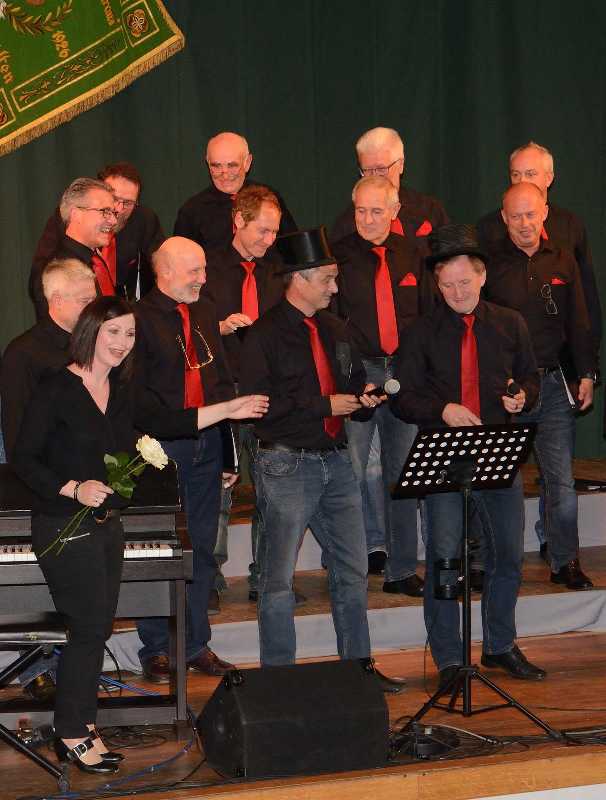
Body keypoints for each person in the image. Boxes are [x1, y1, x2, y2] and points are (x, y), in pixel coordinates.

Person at [12, 295, 268, 772]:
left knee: (96, 628)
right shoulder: (56, 386)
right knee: (88, 629)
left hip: (106, 526)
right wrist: (73, 487)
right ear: (90, 332)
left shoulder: (122, 390)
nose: (123, 342)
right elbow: (24, 458)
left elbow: (172, 421)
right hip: (62, 525)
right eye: (114, 332)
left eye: (129, 334)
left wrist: (228, 408)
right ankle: (72, 731)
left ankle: (82, 725)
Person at [239, 227, 404, 692]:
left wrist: (363, 397)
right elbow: (259, 405)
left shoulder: (335, 329)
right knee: (277, 580)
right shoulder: (263, 335)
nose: (335, 287)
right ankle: (279, 680)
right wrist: (324, 405)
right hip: (285, 464)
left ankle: (358, 669)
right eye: (327, 279)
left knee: (352, 570)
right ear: (300, 279)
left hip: (336, 460)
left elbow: (349, 383)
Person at [392, 223, 546, 688]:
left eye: (464, 282)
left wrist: (524, 397)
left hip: (498, 452)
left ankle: (499, 646)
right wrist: (443, 409)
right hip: (444, 455)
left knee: (508, 555)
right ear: (437, 285)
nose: (457, 292)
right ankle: (449, 660)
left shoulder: (510, 323)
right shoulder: (420, 332)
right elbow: (403, 398)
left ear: (482, 277)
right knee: (444, 560)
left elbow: (530, 377)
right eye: (447, 285)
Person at [477, 141, 602, 561]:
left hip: (553, 385)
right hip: (506, 388)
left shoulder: (564, 259)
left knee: (560, 479)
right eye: (516, 216)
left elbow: (580, 322)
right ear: (504, 219)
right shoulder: (488, 265)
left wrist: (587, 373)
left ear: (544, 212)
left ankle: (564, 561)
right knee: (500, 479)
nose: (524, 223)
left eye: (531, 214)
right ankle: (498, 559)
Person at [133, 236, 239, 683]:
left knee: (201, 548)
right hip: (160, 448)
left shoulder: (204, 311)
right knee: (159, 548)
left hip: (208, 444)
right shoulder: (137, 319)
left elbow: (220, 383)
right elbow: (133, 395)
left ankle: (195, 644)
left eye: (204, 269)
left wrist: (229, 452)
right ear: (165, 271)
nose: (203, 278)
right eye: (194, 270)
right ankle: (157, 647)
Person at [332, 175, 434, 596]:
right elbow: (331, 327)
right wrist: (354, 380)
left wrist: (418, 374)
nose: (368, 219)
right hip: (359, 373)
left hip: (405, 374)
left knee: (403, 474)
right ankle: (350, 568)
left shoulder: (415, 255)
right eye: (361, 211)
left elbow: (428, 320)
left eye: (377, 211)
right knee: (351, 474)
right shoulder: (337, 257)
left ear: (394, 211)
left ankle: (402, 570)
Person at [1, 259, 97, 701]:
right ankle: (36, 669)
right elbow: (18, 434)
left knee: (78, 585)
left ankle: (74, 673)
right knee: (38, 575)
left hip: (86, 484)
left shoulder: (94, 345)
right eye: (85, 300)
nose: (93, 306)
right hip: (45, 486)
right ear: (56, 301)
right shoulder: (24, 353)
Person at [203, 184, 285, 607]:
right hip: (223, 390)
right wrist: (219, 327)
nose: (269, 240)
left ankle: (266, 575)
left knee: (272, 485)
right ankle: (209, 579)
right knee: (219, 485)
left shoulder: (278, 271)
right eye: (263, 231)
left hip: (267, 391)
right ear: (239, 220)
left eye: (275, 232)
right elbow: (189, 329)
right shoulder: (208, 267)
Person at [31, 162, 165, 311]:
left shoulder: (144, 220)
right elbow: (42, 279)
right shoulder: (67, 222)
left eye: (128, 203)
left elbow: (163, 268)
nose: (118, 209)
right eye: (114, 198)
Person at [173, 131, 297, 253]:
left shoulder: (269, 199)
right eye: (216, 166)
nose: (225, 174)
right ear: (208, 163)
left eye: (232, 165)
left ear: (247, 163)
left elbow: (293, 248)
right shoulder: (192, 211)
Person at [330, 126, 449, 246]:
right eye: (367, 170)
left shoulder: (430, 210)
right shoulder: (348, 224)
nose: (375, 177)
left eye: (381, 169)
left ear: (401, 165)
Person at [29, 177, 118, 318]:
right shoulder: (53, 269)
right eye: (105, 211)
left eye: (114, 213)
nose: (113, 221)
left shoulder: (97, 261)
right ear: (76, 214)